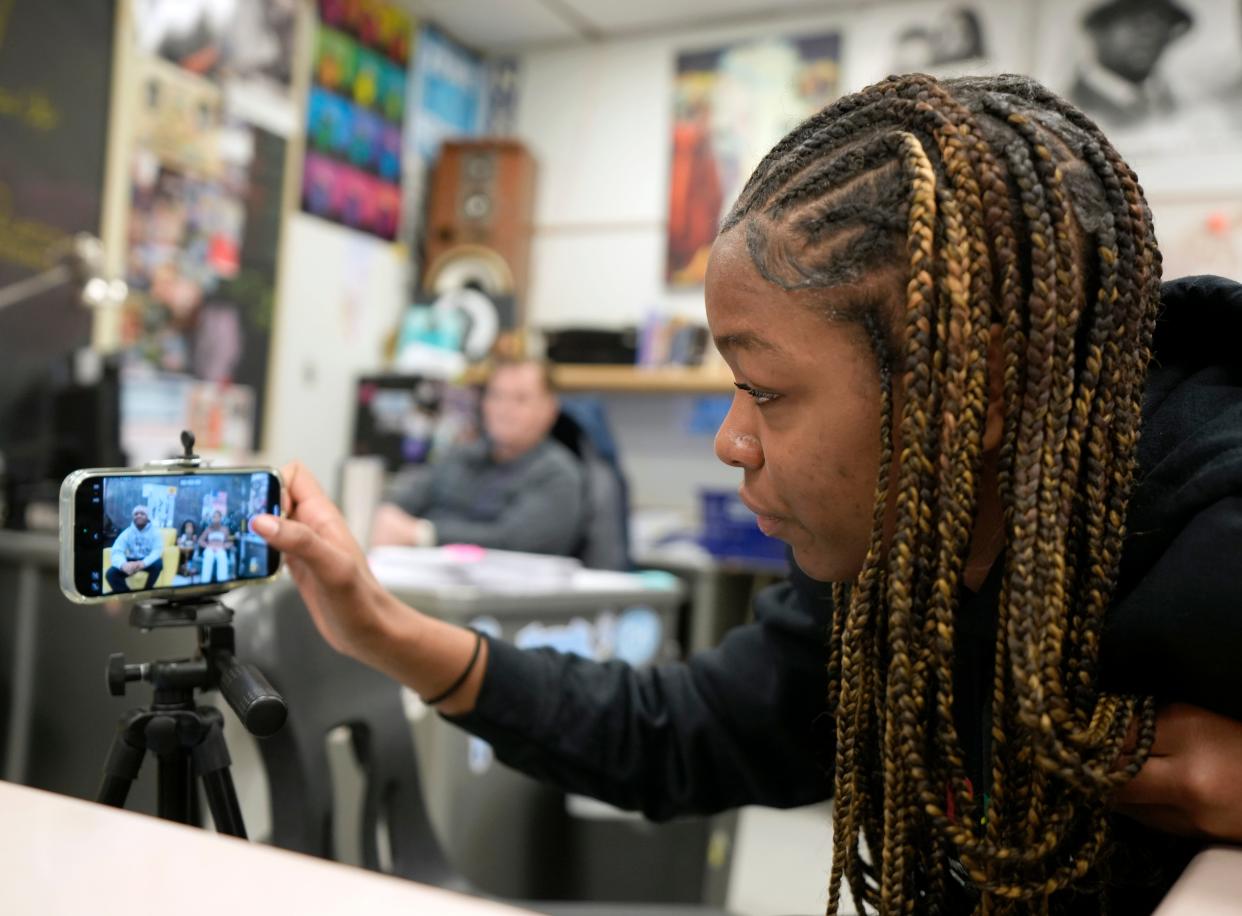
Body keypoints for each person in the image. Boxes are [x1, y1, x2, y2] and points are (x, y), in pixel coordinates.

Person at [252, 74, 1242, 914]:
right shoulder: (896, 561)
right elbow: (679, 728)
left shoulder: (1212, 542)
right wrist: (380, 625)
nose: (732, 440)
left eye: (765, 391)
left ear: (971, 389)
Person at [369, 358, 585, 556]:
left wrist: (425, 534)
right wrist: (386, 519)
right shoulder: (460, 455)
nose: (504, 409)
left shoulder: (557, 474)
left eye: (520, 399)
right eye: (496, 396)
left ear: (549, 409)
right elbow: (403, 503)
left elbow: (511, 542)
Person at [1069, 0, 1193, 127]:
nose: (1148, 33)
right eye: (1132, 19)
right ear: (1097, 30)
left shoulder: (1180, 106)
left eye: (1160, 20)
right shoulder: (1069, 109)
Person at [106, 504, 164, 593]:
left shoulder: (155, 532)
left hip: (147, 561)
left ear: (147, 517)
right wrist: (123, 565)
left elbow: (157, 551)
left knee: (158, 564)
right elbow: (117, 550)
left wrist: (143, 563)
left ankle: (146, 592)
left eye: (142, 513)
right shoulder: (127, 533)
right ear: (133, 517)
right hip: (132, 561)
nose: (139, 515)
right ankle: (128, 594)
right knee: (110, 574)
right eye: (136, 514)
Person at [198, 509, 233, 584]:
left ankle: (222, 582)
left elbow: (230, 542)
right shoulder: (208, 529)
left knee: (222, 556)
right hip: (210, 549)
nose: (215, 519)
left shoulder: (225, 529)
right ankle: (205, 582)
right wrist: (207, 546)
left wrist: (223, 546)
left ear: (220, 518)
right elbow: (200, 540)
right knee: (208, 556)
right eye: (214, 517)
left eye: (217, 517)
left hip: (220, 549)